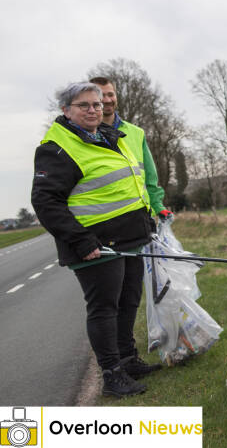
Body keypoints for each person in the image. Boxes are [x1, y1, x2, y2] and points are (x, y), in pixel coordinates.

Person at [31, 82, 161, 398]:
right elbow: (45, 202)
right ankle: (112, 375)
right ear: (66, 110)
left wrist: (148, 220)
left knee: (129, 301)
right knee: (104, 308)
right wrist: (81, 241)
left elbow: (130, 182)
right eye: (84, 105)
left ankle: (128, 360)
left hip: (129, 238)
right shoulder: (56, 149)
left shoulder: (108, 136)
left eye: (97, 104)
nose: (93, 110)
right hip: (96, 246)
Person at [88, 76, 173, 221]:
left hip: (141, 219)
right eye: (102, 95)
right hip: (104, 222)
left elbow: (150, 176)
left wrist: (158, 206)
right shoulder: (84, 134)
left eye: (111, 94)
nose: (108, 100)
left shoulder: (136, 133)